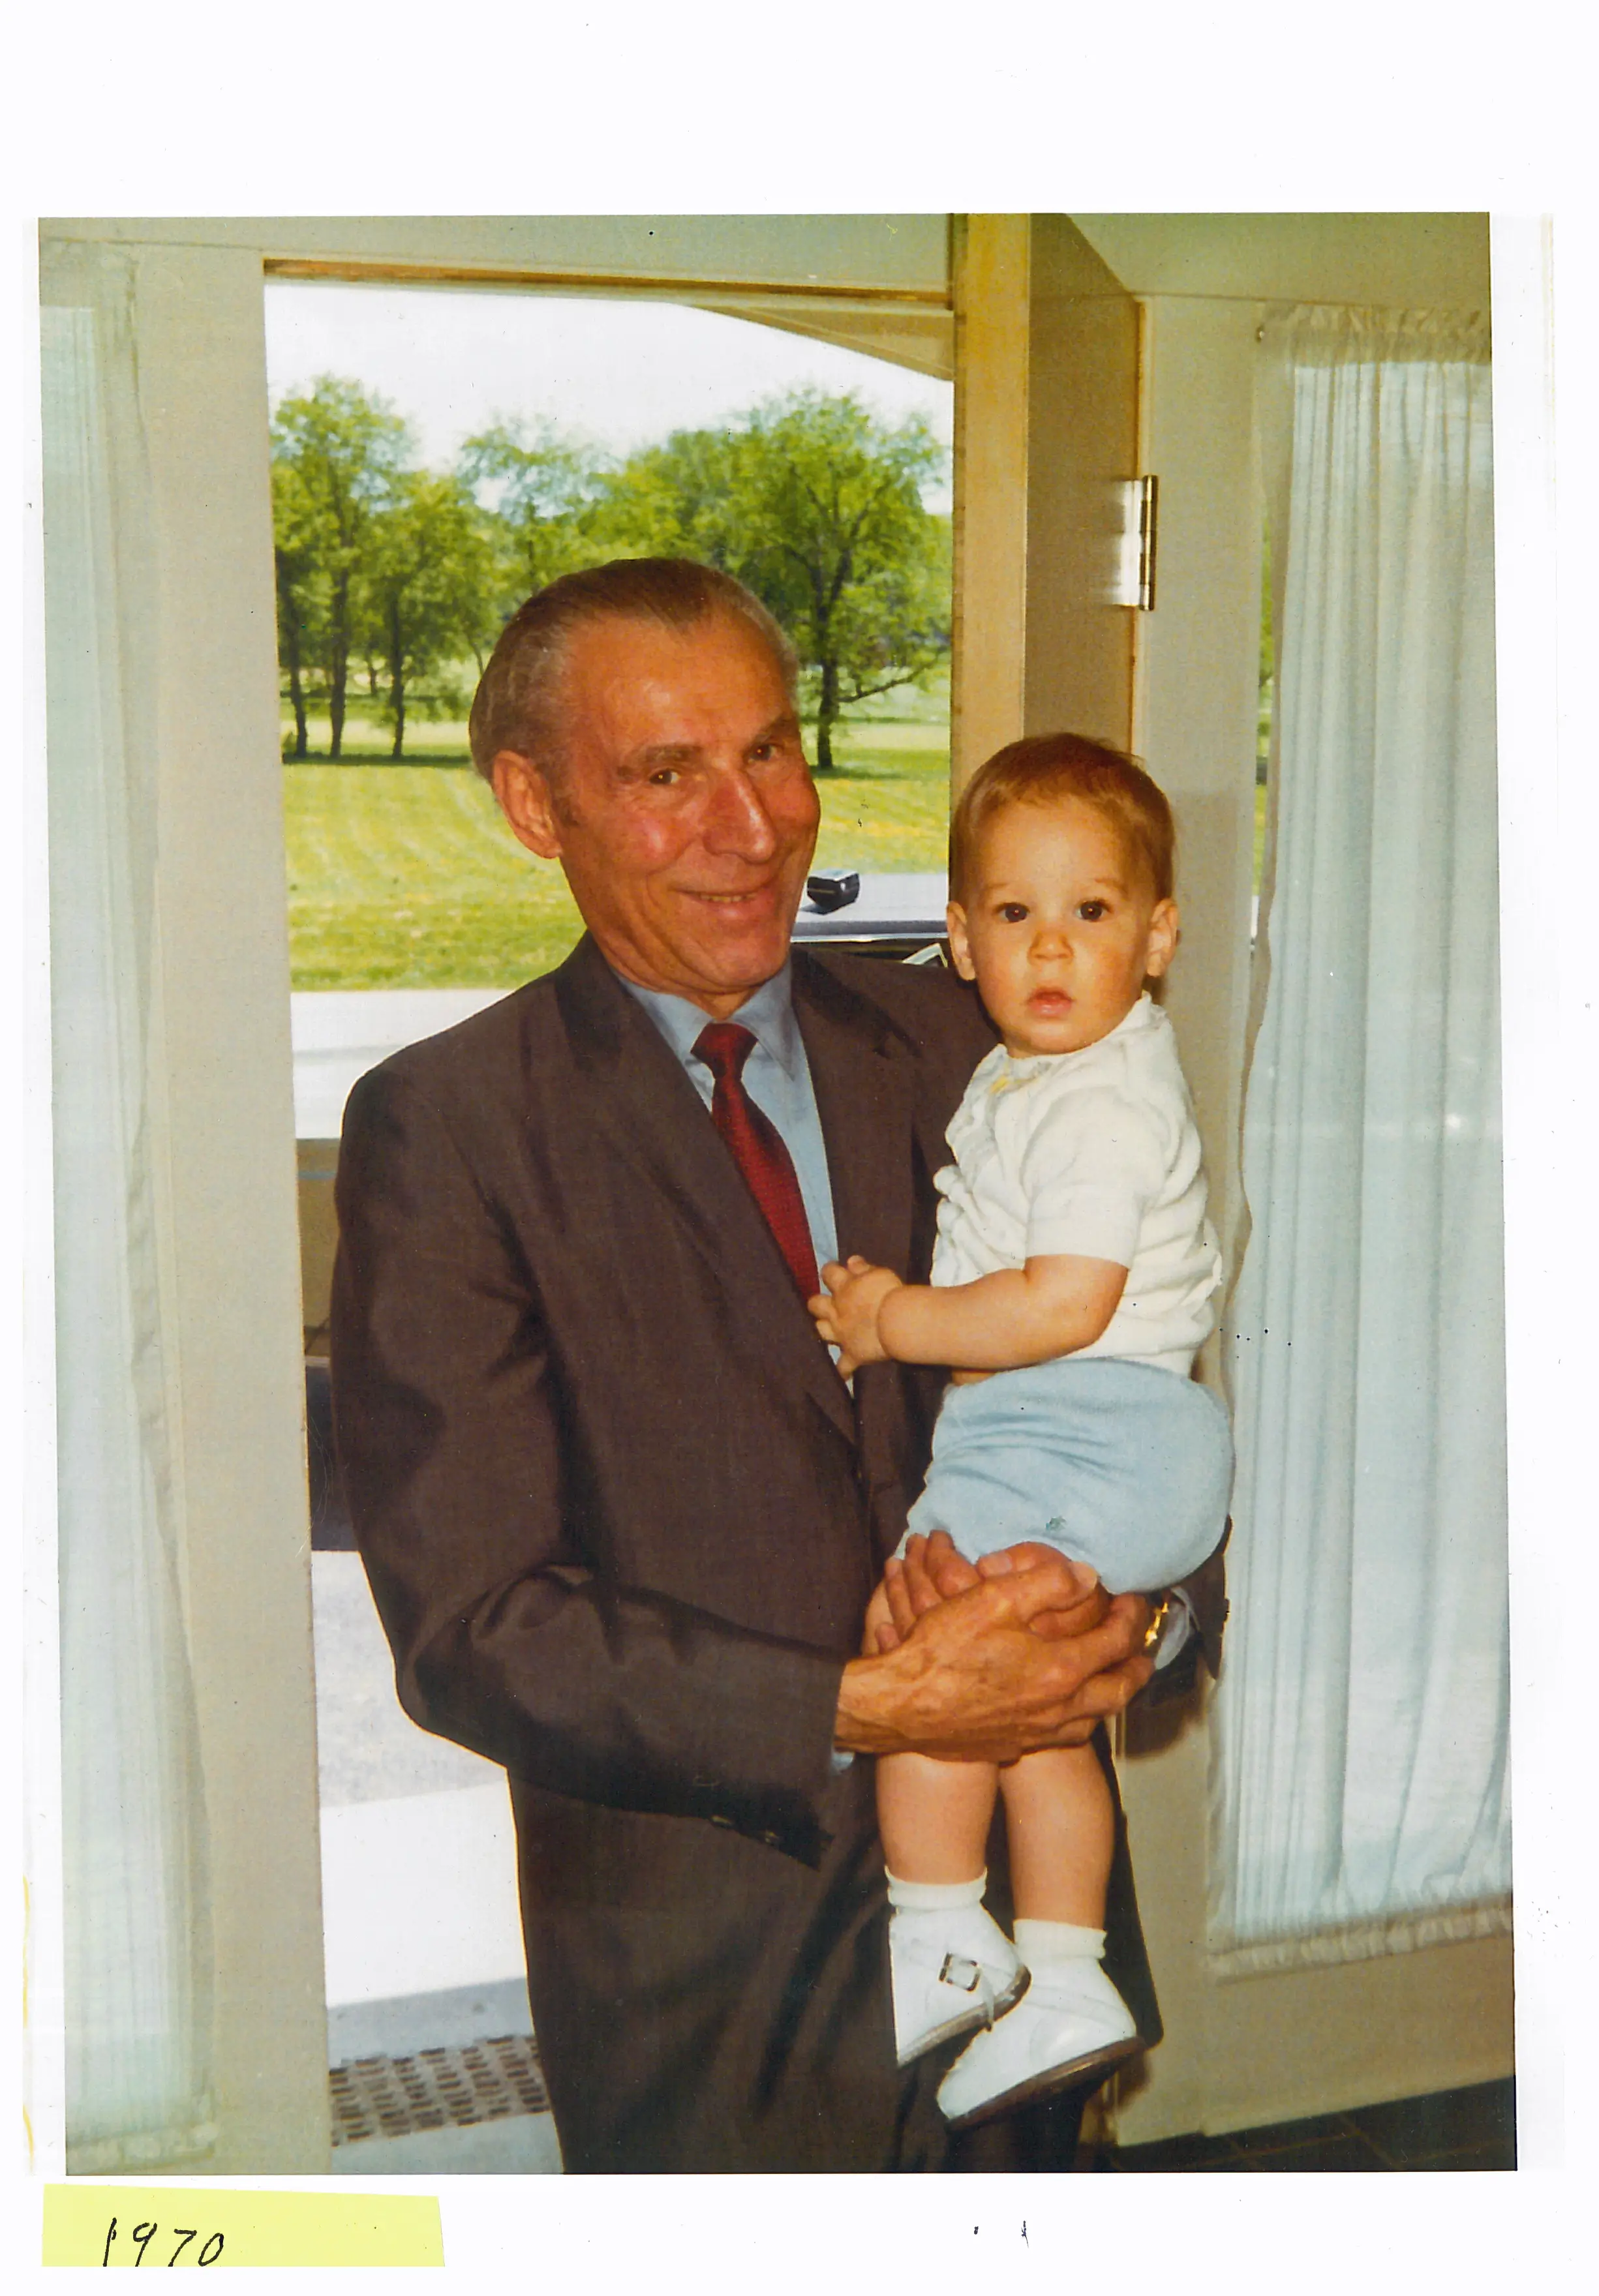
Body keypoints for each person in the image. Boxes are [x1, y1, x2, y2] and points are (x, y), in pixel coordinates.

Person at [329, 560, 1209, 2174]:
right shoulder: (449, 1130)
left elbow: (1139, 1392)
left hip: (1027, 1960)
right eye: (669, 775)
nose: (756, 827)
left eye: (773, 750)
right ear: (537, 804)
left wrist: (1135, 1617)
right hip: (712, 2004)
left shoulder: (981, 1043)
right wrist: (871, 1702)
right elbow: (476, 1626)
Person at [812, 735, 1232, 2130]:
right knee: (1038, 1723)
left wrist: (891, 1320)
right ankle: (1064, 1961)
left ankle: (938, 1922)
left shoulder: (1098, 1100)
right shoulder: (1051, 1070)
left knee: (933, 1649)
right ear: (959, 937)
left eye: (1093, 912)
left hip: (1073, 1420)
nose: (1051, 948)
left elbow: (1064, 1300)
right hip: (1121, 1435)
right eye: (1013, 913)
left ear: (1159, 932)